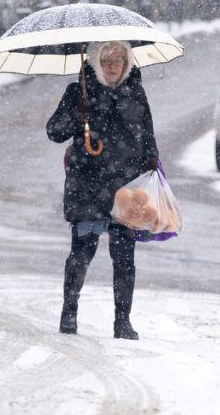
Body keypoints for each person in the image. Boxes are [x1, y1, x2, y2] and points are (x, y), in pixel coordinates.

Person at [46, 40, 159, 340]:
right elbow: (54, 131)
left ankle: (123, 321)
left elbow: (148, 137)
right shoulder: (78, 91)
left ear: (126, 63)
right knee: (82, 252)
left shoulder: (135, 92)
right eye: (105, 61)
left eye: (116, 61)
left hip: (125, 190)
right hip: (87, 186)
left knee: (124, 257)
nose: (111, 67)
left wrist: (151, 167)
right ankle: (69, 313)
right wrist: (76, 115)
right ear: (95, 62)